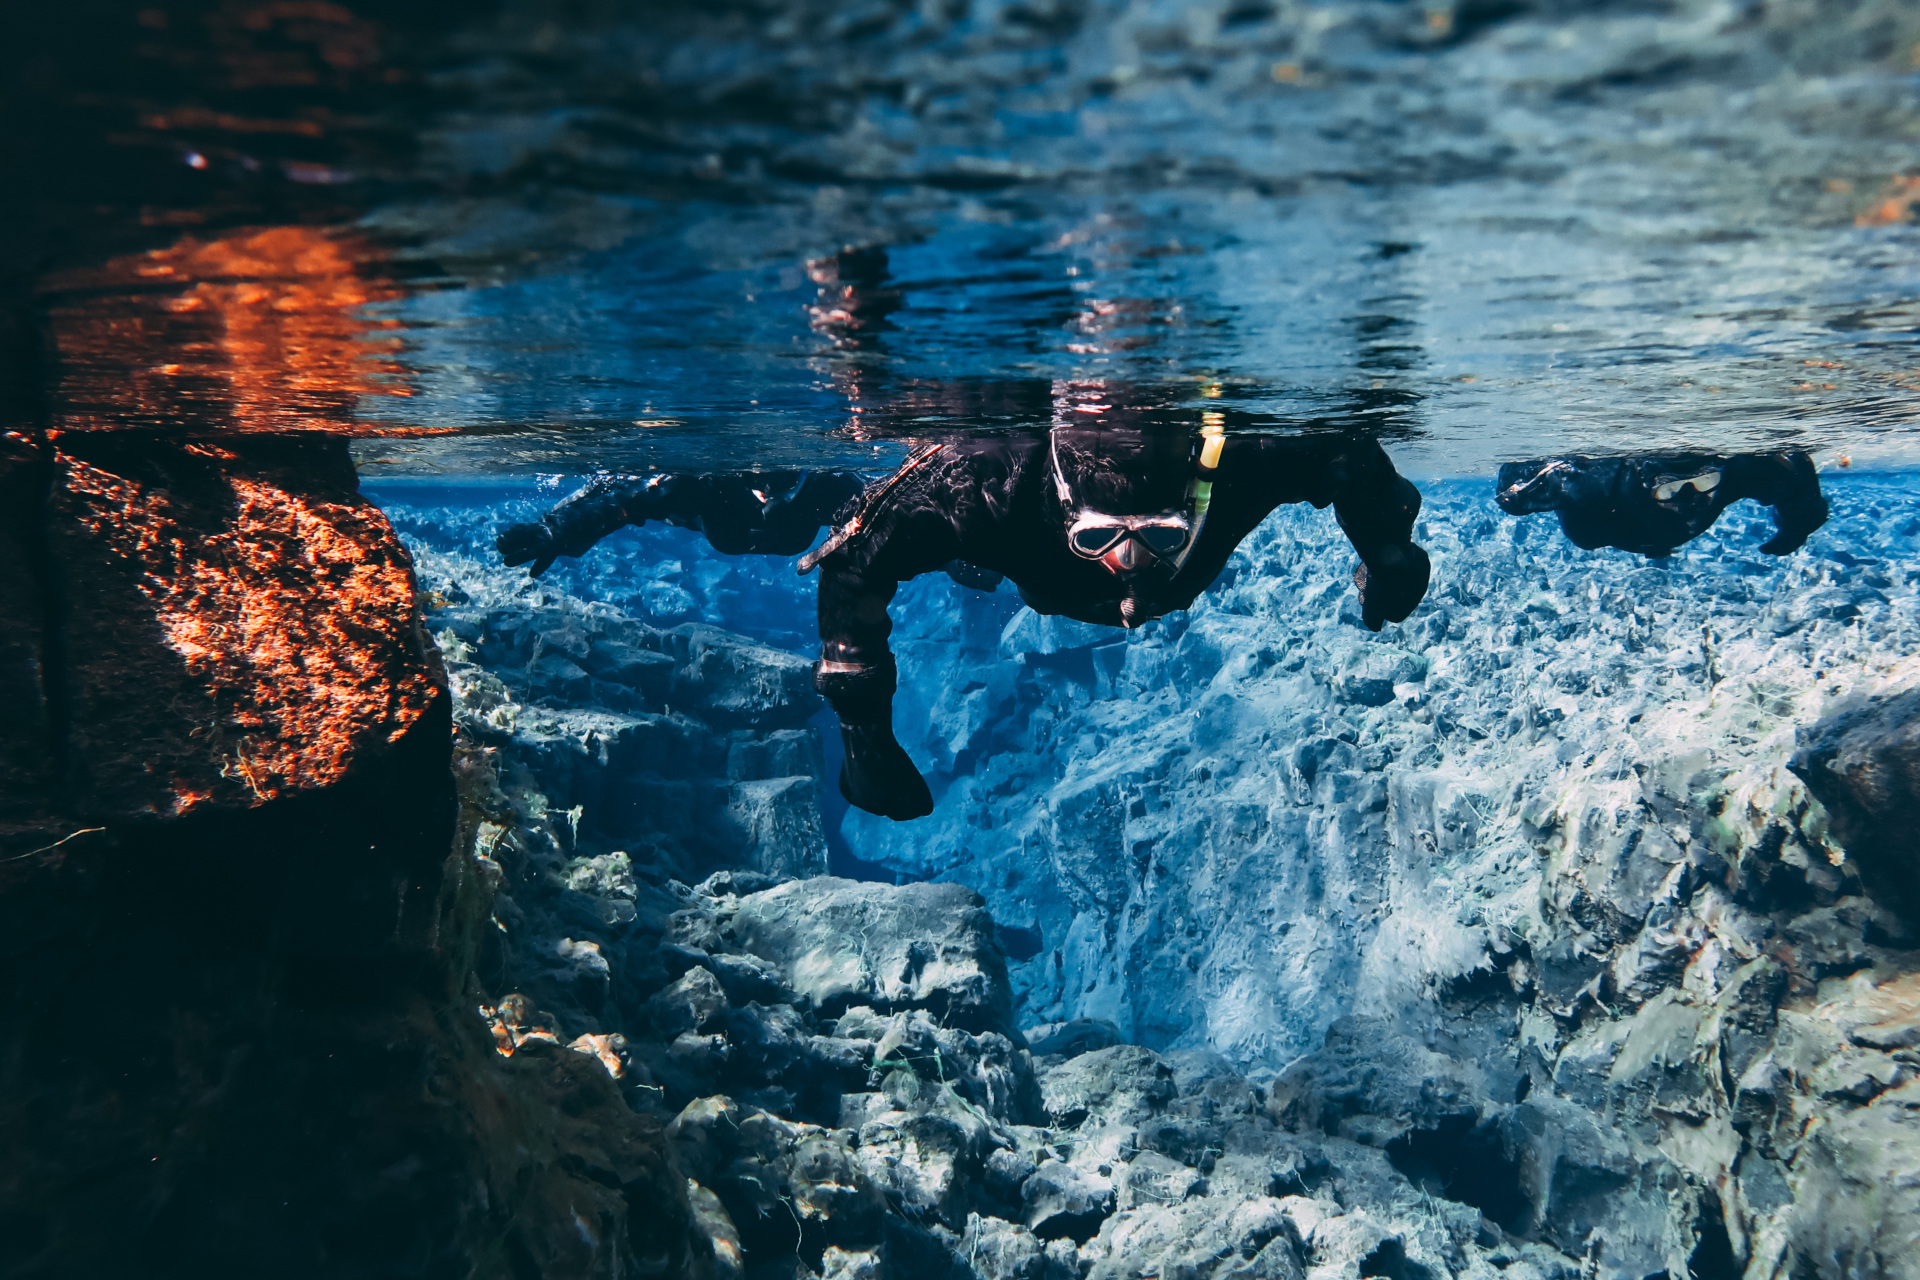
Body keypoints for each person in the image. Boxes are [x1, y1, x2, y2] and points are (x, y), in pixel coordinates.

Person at [801, 418, 1431, 819]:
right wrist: (865, 735)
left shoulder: (1247, 458)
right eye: (1097, 538)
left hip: (1034, 550)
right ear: (1067, 508)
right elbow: (853, 555)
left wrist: (1390, 559)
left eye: (1159, 535)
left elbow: (1352, 458)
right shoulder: (988, 479)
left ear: (1195, 496)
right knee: (963, 555)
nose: (1129, 573)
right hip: (1006, 549)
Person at [1494, 450, 1828, 558]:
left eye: (1704, 482)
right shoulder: (1590, 492)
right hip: (1613, 519)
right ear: (1644, 487)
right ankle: (1655, 547)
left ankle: (1657, 544)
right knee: (1586, 537)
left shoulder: (1733, 478)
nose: (1691, 497)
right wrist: (1518, 493)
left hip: (1642, 526)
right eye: (1670, 490)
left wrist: (1792, 532)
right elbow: (1513, 491)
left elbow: (1800, 490)